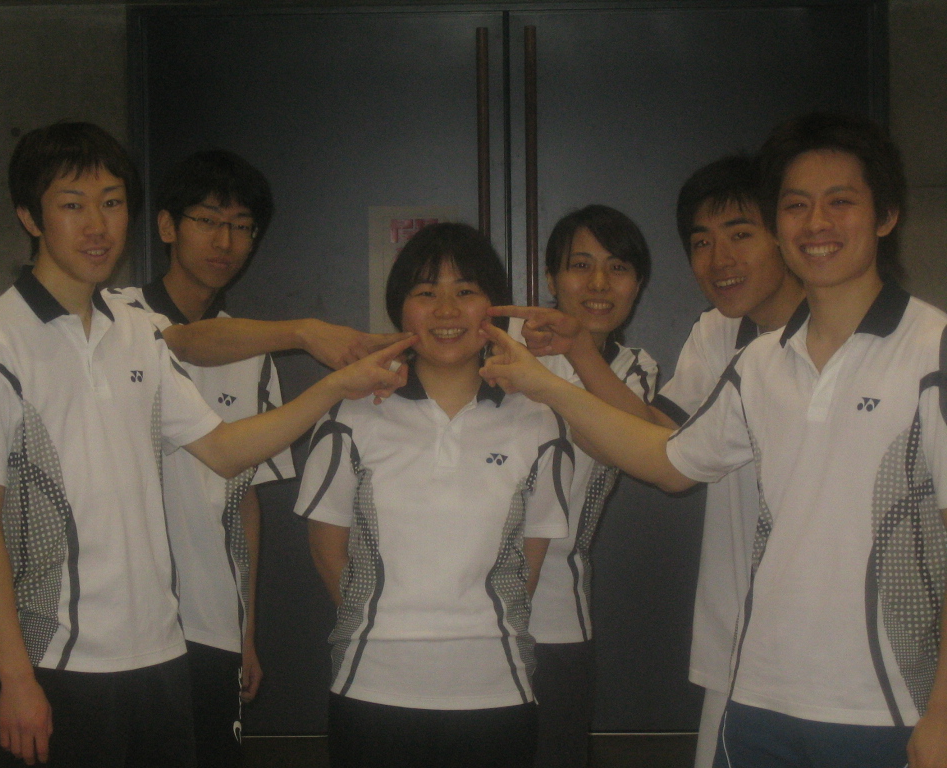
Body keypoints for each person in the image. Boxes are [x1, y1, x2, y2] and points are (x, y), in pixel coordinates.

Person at [0, 122, 412, 767]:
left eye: (111, 203)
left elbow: (224, 450)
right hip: (56, 661)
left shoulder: (137, 334)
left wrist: (337, 386)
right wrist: (16, 676)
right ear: (30, 216)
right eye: (72, 205)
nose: (97, 225)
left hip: (161, 655)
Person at [480, 113, 947, 768]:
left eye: (840, 202)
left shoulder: (931, 350)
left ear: (886, 215)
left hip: (886, 700)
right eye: (796, 206)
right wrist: (549, 379)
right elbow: (668, 457)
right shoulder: (756, 362)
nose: (815, 223)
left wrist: (943, 709)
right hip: (757, 688)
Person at [115, 149, 404, 767]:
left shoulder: (254, 356)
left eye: (242, 226)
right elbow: (180, 342)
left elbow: (243, 498)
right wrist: (303, 331)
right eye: (207, 220)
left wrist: (244, 629)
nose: (226, 241)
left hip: (211, 621)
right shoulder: (116, 316)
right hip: (125, 620)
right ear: (166, 226)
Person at [294, 222, 573, 768]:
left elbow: (528, 564)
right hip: (372, 685)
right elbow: (328, 548)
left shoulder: (537, 419)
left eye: (465, 291)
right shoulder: (353, 411)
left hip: (497, 689)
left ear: (493, 309)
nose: (446, 310)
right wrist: (388, 632)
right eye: (426, 292)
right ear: (401, 310)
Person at [493, 205, 657, 767]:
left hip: (556, 613)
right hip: (460, 603)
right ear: (551, 278)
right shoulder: (499, 342)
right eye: (580, 265)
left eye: (618, 268)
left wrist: (571, 360)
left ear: (638, 283)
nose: (598, 283)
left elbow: (632, 446)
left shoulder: (633, 369)